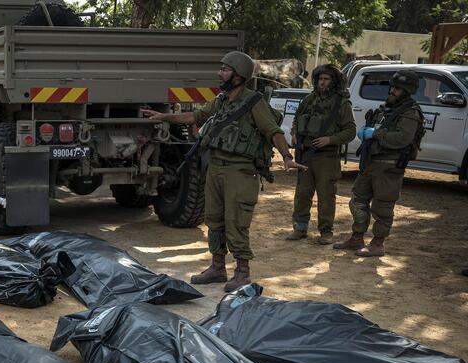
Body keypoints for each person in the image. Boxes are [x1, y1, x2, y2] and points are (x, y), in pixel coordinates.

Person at [144, 51, 306, 292]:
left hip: (240, 171)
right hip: (216, 166)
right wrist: (163, 116)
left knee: (236, 221)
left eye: (225, 69)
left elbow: (273, 131)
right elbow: (195, 117)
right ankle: (218, 267)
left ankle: (242, 272)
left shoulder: (253, 101)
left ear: (239, 75)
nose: (220, 73)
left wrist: (287, 156)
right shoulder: (221, 100)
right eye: (221, 69)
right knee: (214, 218)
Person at [333, 69, 425, 257]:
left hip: (390, 165)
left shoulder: (410, 113)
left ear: (407, 91)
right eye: (392, 87)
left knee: (382, 206)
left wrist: (374, 134)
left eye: (397, 89)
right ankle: (357, 238)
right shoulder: (387, 109)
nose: (392, 91)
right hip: (372, 163)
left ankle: (377, 243)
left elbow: (402, 138)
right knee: (357, 200)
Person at [286, 64, 356, 245]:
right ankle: (300, 228)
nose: (322, 83)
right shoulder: (309, 100)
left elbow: (350, 131)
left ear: (333, 82)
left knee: (326, 195)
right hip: (305, 154)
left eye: (326, 79)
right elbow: (297, 119)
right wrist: (294, 133)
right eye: (320, 79)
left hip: (326, 156)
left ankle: (326, 231)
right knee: (302, 194)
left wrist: (331, 139)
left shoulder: (341, 103)